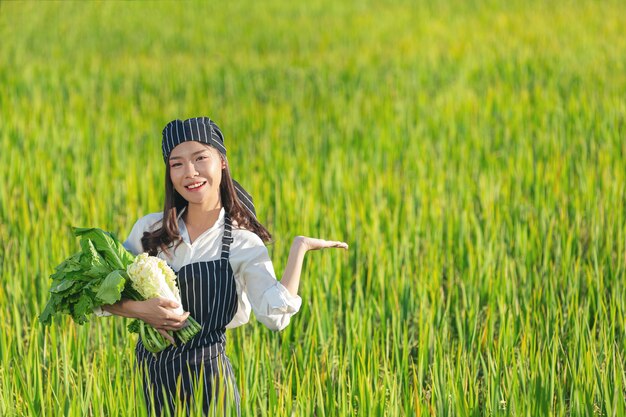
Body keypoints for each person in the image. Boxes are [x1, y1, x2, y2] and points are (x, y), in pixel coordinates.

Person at [94, 117, 348, 416]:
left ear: (222, 162)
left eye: (200, 158)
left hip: (211, 384)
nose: (190, 172)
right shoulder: (150, 230)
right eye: (177, 164)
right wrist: (140, 310)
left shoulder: (242, 243)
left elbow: (274, 317)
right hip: (151, 379)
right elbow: (98, 294)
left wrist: (299, 248)